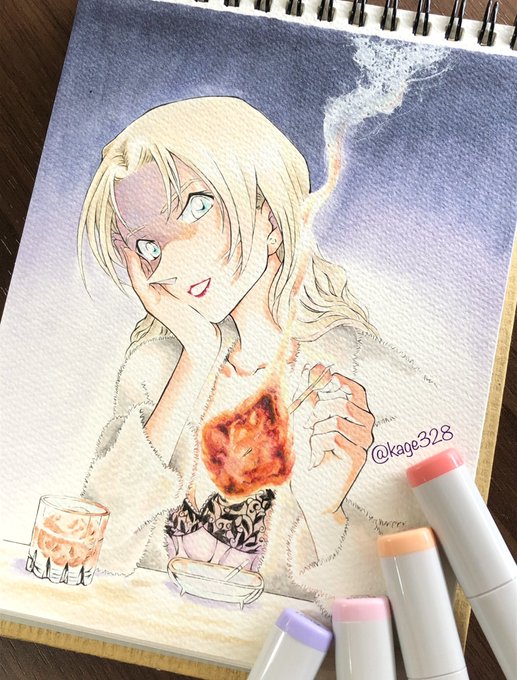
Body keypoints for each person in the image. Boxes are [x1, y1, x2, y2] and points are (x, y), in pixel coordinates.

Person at [79, 96, 437, 606]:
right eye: (148, 247)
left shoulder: (366, 375)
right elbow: (96, 549)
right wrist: (196, 356)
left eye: (195, 207)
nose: (168, 265)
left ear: (268, 213)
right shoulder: (155, 371)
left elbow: (411, 609)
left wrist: (325, 512)